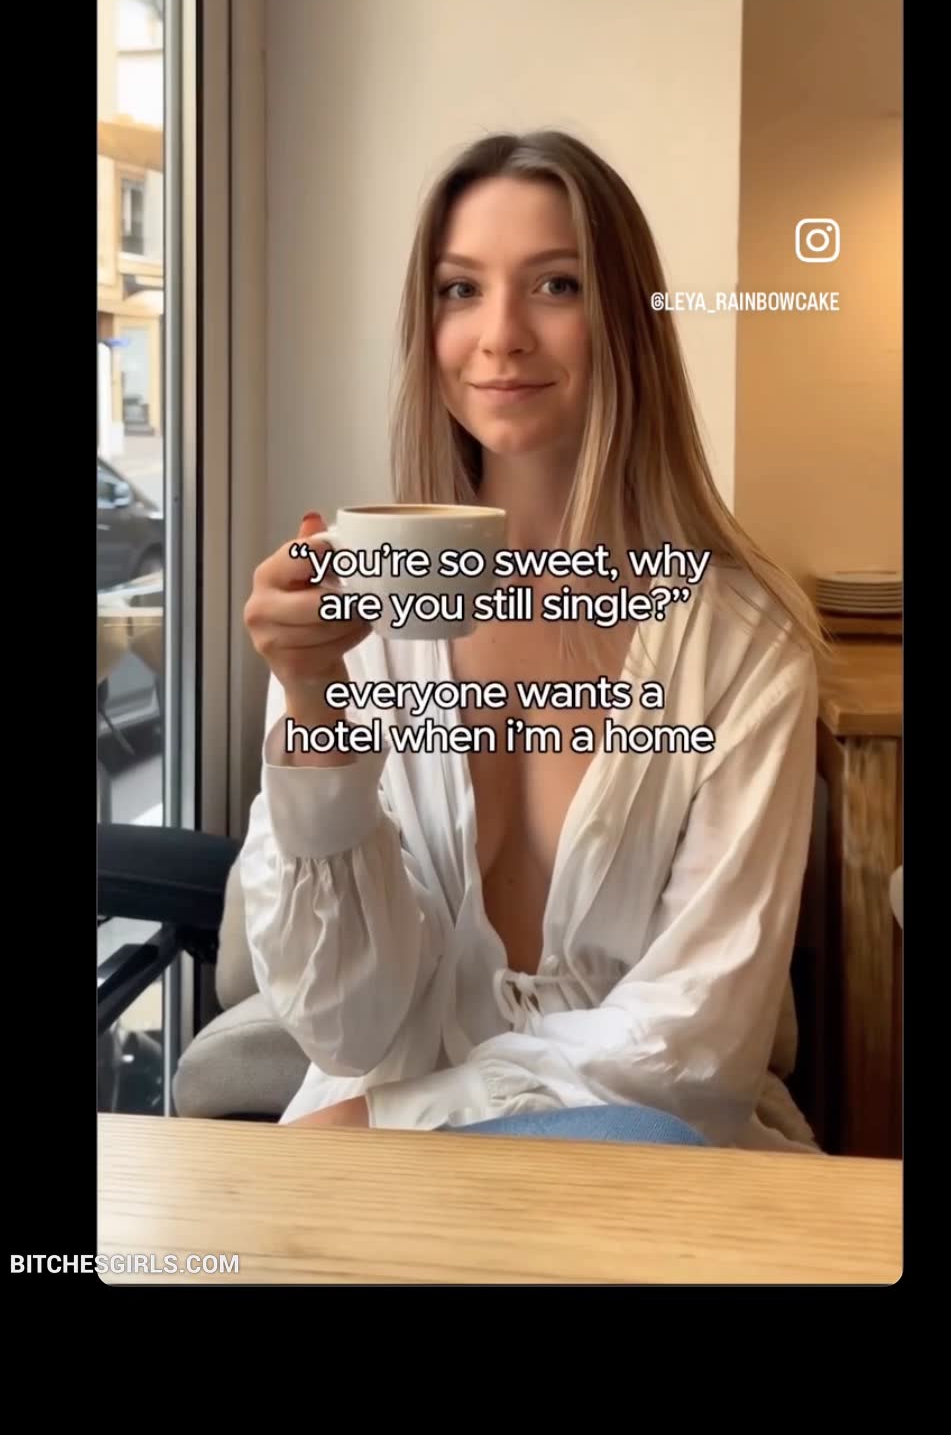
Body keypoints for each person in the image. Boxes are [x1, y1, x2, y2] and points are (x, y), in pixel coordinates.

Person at [239, 129, 825, 1150]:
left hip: (635, 1152)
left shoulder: (744, 647)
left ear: (627, 320)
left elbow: (697, 1045)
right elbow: (343, 1022)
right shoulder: (351, 615)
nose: (500, 335)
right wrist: (313, 699)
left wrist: (392, 1119)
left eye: (556, 285)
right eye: (460, 289)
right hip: (371, 1166)